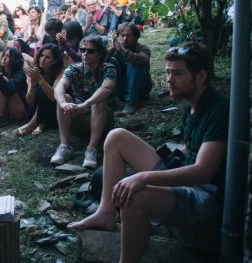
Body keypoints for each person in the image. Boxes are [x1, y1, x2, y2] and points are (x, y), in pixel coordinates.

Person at [68, 43, 227, 263]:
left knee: (134, 197)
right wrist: (165, 157)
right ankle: (105, 213)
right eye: (168, 72)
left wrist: (143, 177)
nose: (169, 79)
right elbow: (192, 147)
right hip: (186, 180)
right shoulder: (192, 103)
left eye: (177, 73)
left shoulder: (218, 110)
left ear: (201, 76)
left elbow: (203, 172)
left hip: (207, 197)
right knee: (116, 137)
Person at [51, 35, 116, 168]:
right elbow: (59, 87)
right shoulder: (74, 68)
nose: (85, 53)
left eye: (90, 51)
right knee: (65, 98)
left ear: (99, 54)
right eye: (82, 50)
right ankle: (64, 146)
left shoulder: (108, 68)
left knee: (99, 102)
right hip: (78, 115)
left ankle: (91, 148)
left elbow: (106, 88)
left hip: (101, 117)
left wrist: (85, 104)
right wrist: (63, 103)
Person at [14, 44, 64, 137]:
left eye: (47, 57)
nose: (43, 59)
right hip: (36, 109)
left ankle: (34, 124)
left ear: (55, 61)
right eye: (41, 55)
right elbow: (29, 101)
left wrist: (40, 79)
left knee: (46, 90)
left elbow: (53, 97)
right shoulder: (35, 71)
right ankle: (39, 123)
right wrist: (32, 84)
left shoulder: (59, 74)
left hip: (54, 111)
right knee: (40, 91)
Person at [108, 22, 152, 114]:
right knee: (111, 60)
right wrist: (113, 49)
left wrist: (121, 50)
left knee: (135, 62)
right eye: (122, 35)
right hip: (122, 89)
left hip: (139, 89)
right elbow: (100, 61)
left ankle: (132, 102)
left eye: (129, 36)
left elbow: (142, 59)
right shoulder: (116, 49)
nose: (125, 39)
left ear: (136, 37)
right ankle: (113, 99)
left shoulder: (143, 48)